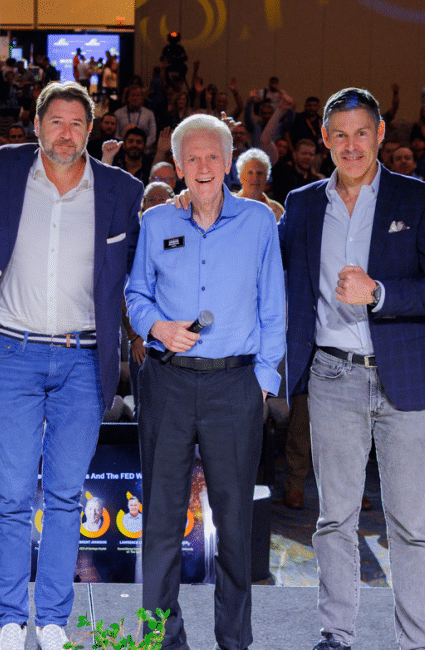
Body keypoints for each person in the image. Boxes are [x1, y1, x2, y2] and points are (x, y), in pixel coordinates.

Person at [279, 88, 425, 650]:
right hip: (333, 376)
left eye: (362, 133)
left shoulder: (420, 198)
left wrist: (378, 292)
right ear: (325, 140)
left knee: (409, 524)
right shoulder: (305, 203)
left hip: (406, 377)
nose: (351, 145)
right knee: (334, 519)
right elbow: (281, 283)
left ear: (380, 135)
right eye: (340, 134)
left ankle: (416, 640)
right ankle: (337, 634)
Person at [0, 81, 142, 650]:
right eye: (56, 122)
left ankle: (53, 620)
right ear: (38, 124)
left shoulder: (122, 191)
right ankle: (11, 621)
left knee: (67, 495)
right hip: (12, 354)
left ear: (90, 131)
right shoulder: (3, 168)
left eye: (77, 124)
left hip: (83, 359)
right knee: (14, 495)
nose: (65, 133)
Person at [126, 113, 285, 650]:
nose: (202, 167)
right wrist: (156, 327)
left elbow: (274, 307)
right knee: (163, 520)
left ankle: (233, 639)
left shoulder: (259, 222)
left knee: (235, 523)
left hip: (235, 386)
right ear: (178, 165)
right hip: (167, 385)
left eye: (211, 156)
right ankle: (161, 639)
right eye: (190, 158)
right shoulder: (156, 223)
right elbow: (135, 295)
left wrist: (262, 382)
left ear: (228, 161)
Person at [236, 147, 284, 221]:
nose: (255, 178)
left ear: (266, 178)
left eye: (260, 173)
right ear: (240, 177)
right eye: (250, 172)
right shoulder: (225, 206)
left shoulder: (277, 211)